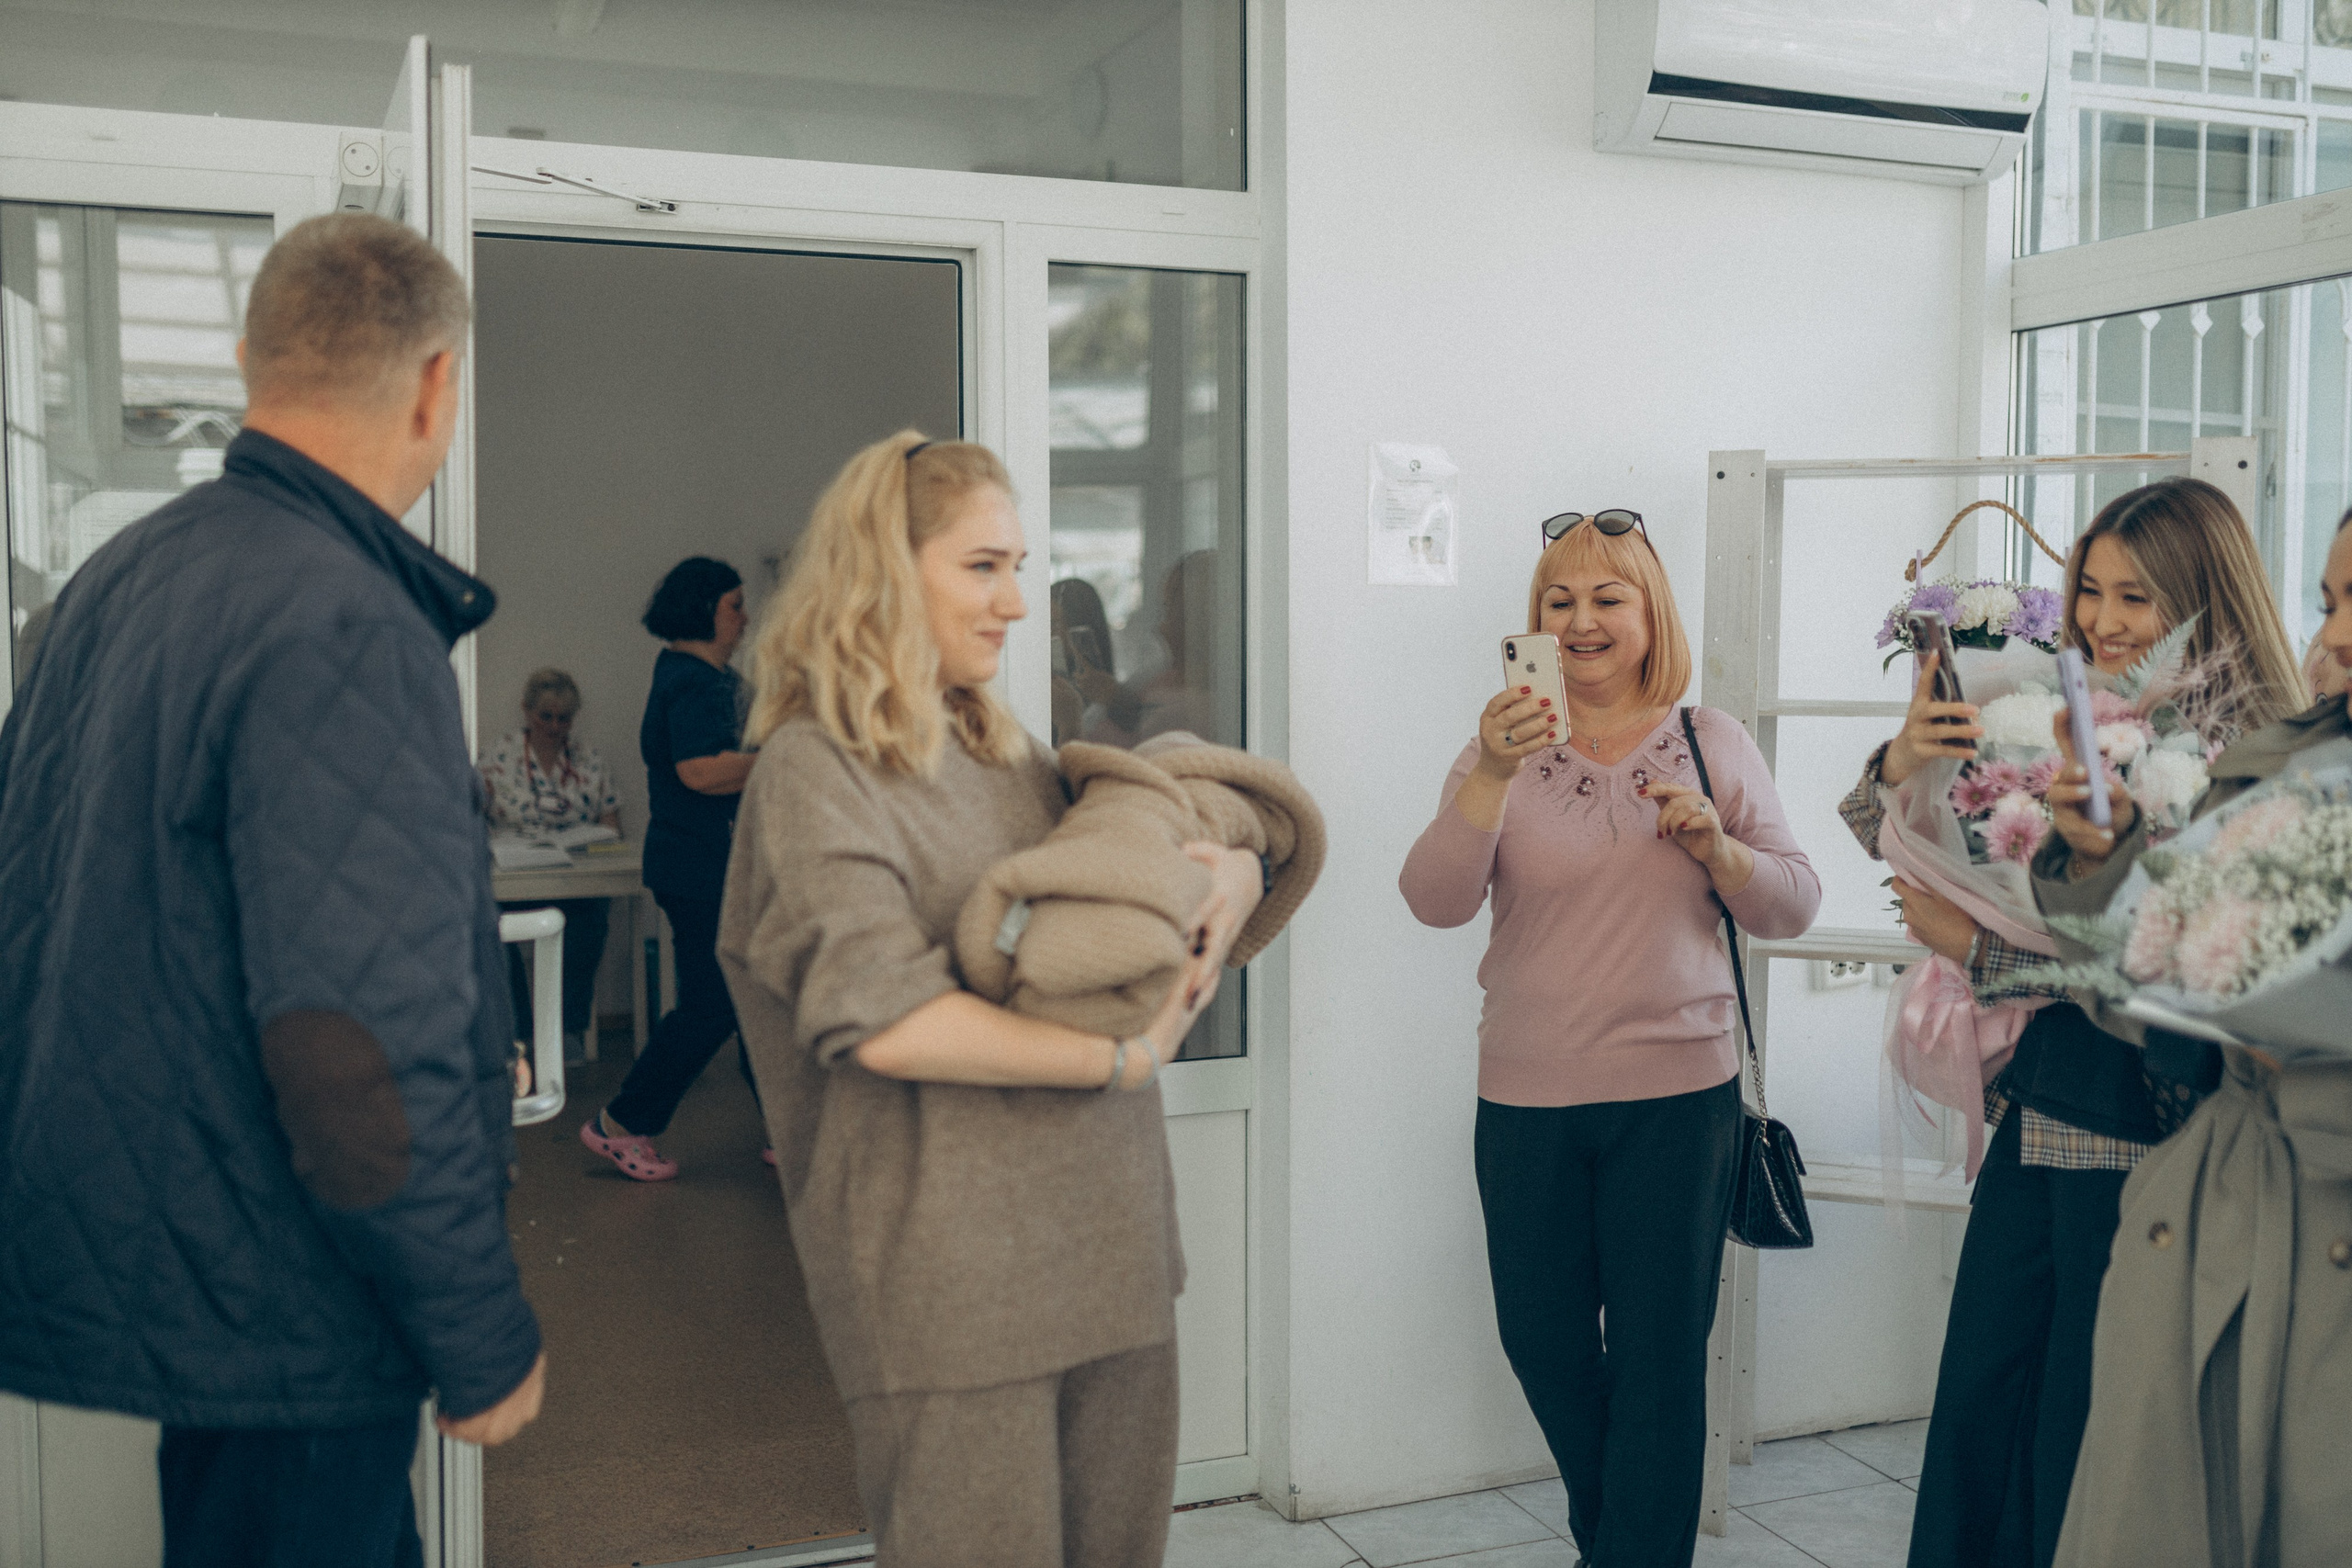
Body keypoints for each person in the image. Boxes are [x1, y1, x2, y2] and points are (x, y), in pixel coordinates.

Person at [0, 212, 544, 1567]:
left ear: (251, 361)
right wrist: (478, 1329)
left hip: (192, 1256)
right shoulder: (347, 620)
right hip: (292, 1288)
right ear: (437, 383)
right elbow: (351, 1038)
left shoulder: (119, 581)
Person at [717, 431, 1261, 1567]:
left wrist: (1234, 868)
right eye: (982, 567)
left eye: (1019, 567)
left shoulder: (1009, 754)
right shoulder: (813, 770)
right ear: (879, 568)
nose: (1016, 603)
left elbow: (1126, 878)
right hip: (952, 1281)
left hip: (1111, 1244)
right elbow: (886, 1015)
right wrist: (1122, 1060)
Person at [1839, 477, 2303, 1568]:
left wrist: (1981, 953)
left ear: (2205, 598)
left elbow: (2187, 987)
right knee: (1987, 1411)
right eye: (2089, 590)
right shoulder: (2075, 717)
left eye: (2136, 597)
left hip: (2152, 1145)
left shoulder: (2248, 762)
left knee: (2084, 1436)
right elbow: (1903, 834)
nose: (2102, 620)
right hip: (2044, 1119)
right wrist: (1904, 762)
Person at [1398, 509, 1821, 1568]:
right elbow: (1432, 902)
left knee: (1658, 1361)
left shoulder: (1709, 741)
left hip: (1679, 1103)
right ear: (1534, 621)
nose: (1580, 620)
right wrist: (1491, 777)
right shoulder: (1496, 752)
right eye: (1559, 600)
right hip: (1526, 1098)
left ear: (1649, 614)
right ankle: (1621, 1543)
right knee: (1540, 1343)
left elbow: (1792, 904)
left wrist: (1721, 851)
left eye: (1606, 597)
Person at [2033, 509, 2352, 1568]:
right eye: (2330, 602)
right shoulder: (2281, 766)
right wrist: (2105, 860)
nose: (2336, 636)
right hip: (2214, 1212)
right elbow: (2145, 988)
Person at [579, 557, 760, 1180]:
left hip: (705, 865)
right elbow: (700, 770)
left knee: (750, 998)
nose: (745, 618)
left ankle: (792, 1131)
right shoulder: (693, 681)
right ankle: (621, 1123)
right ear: (705, 609)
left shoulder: (700, 675)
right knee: (714, 1003)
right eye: (735, 605)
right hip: (698, 868)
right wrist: (779, 755)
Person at [482, 667, 622, 1059]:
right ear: (527, 711)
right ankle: (522, 1033)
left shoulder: (589, 760)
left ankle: (566, 1030)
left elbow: (612, 826)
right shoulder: (498, 757)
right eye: (546, 716)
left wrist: (597, 842)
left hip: (574, 880)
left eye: (564, 718)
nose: (555, 727)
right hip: (515, 878)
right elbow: (473, 819)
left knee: (590, 919)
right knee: (492, 925)